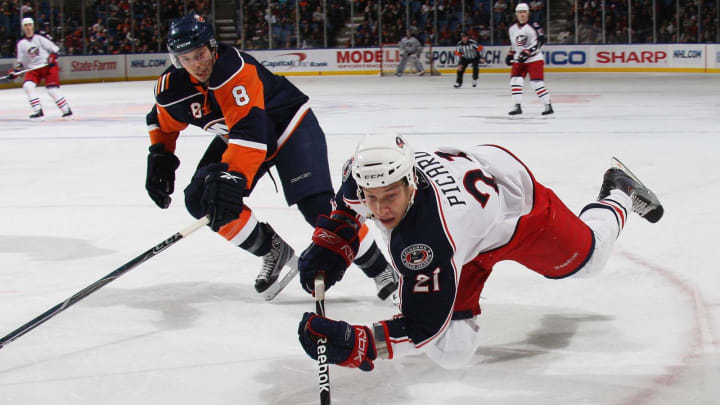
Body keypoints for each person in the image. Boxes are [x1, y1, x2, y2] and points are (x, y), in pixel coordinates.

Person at [296, 134, 664, 371]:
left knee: (589, 261)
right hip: (467, 239)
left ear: (410, 182)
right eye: (372, 199)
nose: (381, 210)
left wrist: (360, 342)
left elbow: (421, 326)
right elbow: (347, 206)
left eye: (390, 196)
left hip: (515, 212)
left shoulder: (426, 240)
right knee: (453, 352)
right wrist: (335, 242)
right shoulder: (365, 175)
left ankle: (619, 191)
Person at [145, 14, 398, 300]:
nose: (197, 64)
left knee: (318, 207)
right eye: (186, 58)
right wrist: (160, 158)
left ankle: (380, 270)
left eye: (200, 54)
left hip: (288, 126)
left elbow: (251, 131)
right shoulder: (172, 89)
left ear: (213, 47)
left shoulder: (234, 70)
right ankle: (272, 251)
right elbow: (160, 120)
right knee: (202, 199)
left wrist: (232, 176)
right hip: (245, 137)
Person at [7, 17, 72, 119]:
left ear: (33, 25)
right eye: (26, 25)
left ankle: (66, 110)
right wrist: (14, 72)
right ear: (23, 27)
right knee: (27, 86)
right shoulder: (20, 42)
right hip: (33, 69)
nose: (28, 27)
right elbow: (21, 63)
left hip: (47, 66)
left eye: (30, 25)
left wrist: (52, 57)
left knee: (52, 90)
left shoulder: (40, 36)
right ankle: (38, 110)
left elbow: (55, 49)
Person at [505, 2, 552, 117]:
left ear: (528, 13)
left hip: (534, 59)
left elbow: (540, 41)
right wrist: (511, 53)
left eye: (524, 12)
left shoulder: (534, 26)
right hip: (519, 59)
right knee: (515, 81)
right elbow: (514, 43)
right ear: (516, 14)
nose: (522, 15)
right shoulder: (512, 27)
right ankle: (517, 106)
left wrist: (527, 52)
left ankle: (548, 105)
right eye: (520, 12)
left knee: (536, 83)